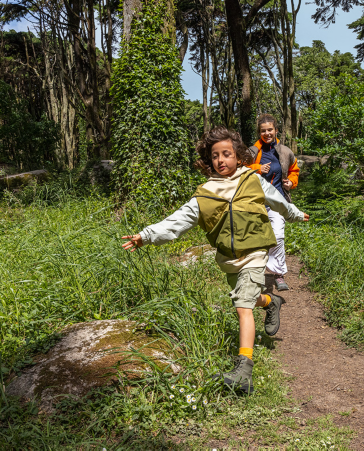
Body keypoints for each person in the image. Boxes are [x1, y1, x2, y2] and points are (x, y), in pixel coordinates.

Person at [121, 126, 309, 394]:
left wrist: (295, 214)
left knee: (242, 306)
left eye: (227, 154)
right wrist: (146, 235)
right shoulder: (206, 193)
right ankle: (271, 301)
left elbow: (278, 202)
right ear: (208, 160)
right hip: (229, 259)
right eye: (215, 156)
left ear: (239, 156)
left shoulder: (252, 180)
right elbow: (177, 221)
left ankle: (244, 369)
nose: (221, 160)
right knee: (248, 297)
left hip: (256, 252)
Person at [247, 114, 300, 291]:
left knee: (277, 236)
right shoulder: (252, 152)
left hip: (278, 201)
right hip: (255, 202)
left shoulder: (285, 151)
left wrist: (291, 182)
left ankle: (278, 274)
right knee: (256, 240)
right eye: (263, 131)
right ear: (259, 132)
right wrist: (257, 168)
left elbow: (294, 169)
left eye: (270, 130)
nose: (267, 133)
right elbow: (239, 168)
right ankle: (255, 275)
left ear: (276, 130)